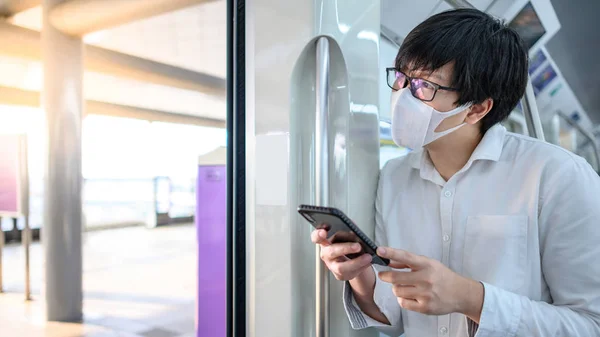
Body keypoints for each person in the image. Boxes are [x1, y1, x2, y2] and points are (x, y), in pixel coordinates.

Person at [311, 8, 600, 337]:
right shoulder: (394, 178)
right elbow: (398, 319)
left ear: (477, 108)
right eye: (402, 78)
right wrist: (360, 276)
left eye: (423, 86)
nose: (402, 96)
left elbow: (590, 323)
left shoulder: (557, 177)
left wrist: (471, 299)